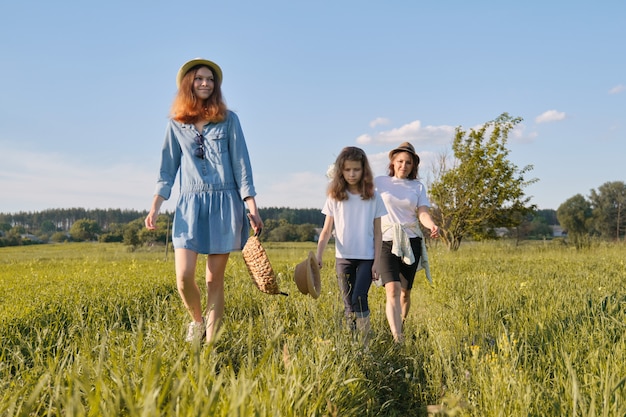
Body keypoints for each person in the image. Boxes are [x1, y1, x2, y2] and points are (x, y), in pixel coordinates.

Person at [145, 58, 263, 344]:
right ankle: (197, 322)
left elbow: (241, 165)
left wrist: (252, 206)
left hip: (225, 204)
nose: (205, 83)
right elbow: (166, 169)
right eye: (199, 78)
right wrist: (156, 205)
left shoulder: (229, 119)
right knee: (184, 277)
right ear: (189, 83)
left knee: (213, 280)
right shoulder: (175, 125)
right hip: (189, 206)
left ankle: (212, 342)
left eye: (210, 79)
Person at [316, 147, 387, 346]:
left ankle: (365, 344)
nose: (352, 174)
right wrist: (319, 255)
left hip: (366, 258)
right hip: (343, 257)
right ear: (341, 171)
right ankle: (352, 343)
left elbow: (379, 233)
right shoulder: (335, 196)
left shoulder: (374, 197)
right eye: (347, 170)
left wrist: (377, 263)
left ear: (364, 170)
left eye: (356, 169)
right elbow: (326, 230)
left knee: (359, 298)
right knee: (348, 303)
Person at [374, 142, 439, 343]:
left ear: (413, 166)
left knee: (404, 293)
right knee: (391, 289)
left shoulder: (417, 186)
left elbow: (422, 212)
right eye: (400, 161)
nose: (404, 165)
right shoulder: (379, 182)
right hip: (386, 240)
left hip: (411, 242)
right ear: (392, 162)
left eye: (408, 162)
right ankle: (398, 337)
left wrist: (431, 225)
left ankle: (401, 322)